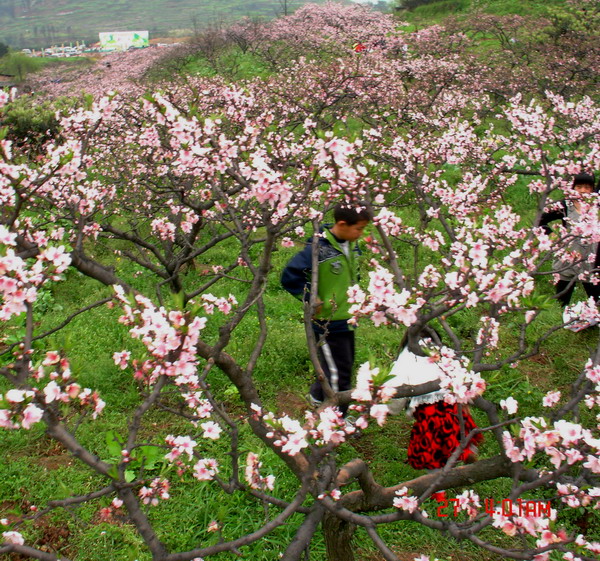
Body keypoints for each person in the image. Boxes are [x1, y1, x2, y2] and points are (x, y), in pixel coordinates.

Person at [281, 203, 372, 413]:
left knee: (340, 365)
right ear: (342, 224)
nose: (361, 233)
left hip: (347, 317)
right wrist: (311, 298)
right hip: (328, 322)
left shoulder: (351, 245)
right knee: (339, 373)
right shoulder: (318, 249)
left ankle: (316, 396)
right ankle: (338, 418)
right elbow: (289, 277)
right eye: (358, 228)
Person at [386, 332, 482, 470]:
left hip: (429, 414)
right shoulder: (443, 352)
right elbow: (462, 375)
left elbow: (395, 388)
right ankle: (466, 453)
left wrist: (389, 409)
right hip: (453, 406)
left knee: (433, 453)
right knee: (460, 436)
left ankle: (438, 485)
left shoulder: (404, 359)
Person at [537, 172, 600, 307]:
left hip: (591, 258)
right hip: (568, 257)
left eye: (587, 187)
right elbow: (540, 220)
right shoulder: (564, 205)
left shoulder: (596, 205)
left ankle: (593, 321)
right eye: (579, 187)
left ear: (593, 189)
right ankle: (561, 324)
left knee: (596, 299)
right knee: (561, 300)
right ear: (573, 187)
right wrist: (552, 235)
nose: (583, 191)